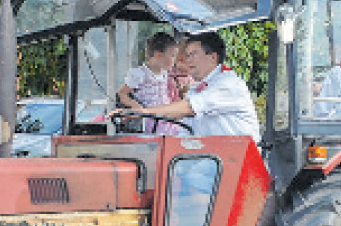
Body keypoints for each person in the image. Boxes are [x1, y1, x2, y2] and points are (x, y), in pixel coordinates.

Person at [111, 32, 260, 144]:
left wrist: (144, 112)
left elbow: (190, 107)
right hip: (211, 161)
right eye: (186, 55)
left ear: (212, 57)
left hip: (238, 164)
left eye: (193, 55)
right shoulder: (196, 89)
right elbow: (185, 129)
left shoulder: (228, 84)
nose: (188, 60)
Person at [117, 32, 181, 135]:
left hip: (165, 115)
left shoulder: (164, 73)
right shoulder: (140, 74)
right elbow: (122, 93)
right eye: (172, 56)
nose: (175, 60)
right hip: (151, 119)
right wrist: (135, 105)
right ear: (159, 55)